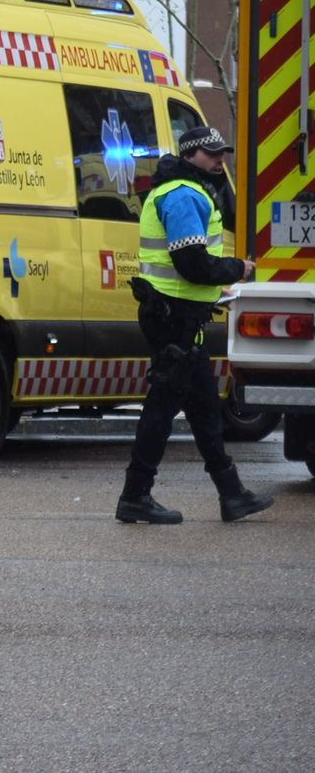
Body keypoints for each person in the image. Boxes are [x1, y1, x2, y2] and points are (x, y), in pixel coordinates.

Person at [121, 125, 274, 524]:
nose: (219, 159)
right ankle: (135, 494)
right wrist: (236, 268)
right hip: (174, 320)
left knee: (206, 408)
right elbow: (191, 264)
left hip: (180, 318)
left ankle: (232, 494)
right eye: (210, 153)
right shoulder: (183, 196)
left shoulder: (187, 191)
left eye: (221, 151)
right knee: (162, 408)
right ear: (190, 156)